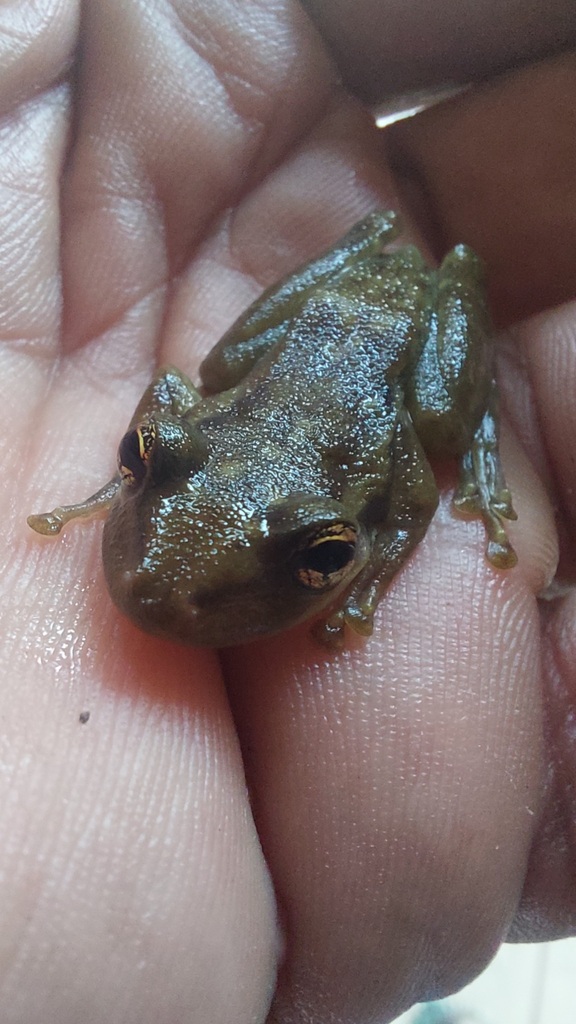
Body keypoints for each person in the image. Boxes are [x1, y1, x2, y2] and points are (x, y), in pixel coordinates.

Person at [4, 0, 576, 1020]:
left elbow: (400, 486)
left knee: (441, 427)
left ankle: (459, 348)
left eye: (313, 556)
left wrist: (381, 548)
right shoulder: (181, 425)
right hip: (319, 336)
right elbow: (179, 401)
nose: (154, 581)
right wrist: (126, 469)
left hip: (382, 350)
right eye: (147, 461)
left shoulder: (358, 484)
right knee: (218, 369)